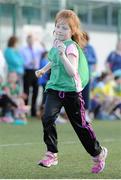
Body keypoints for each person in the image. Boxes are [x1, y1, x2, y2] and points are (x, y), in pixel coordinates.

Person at [35, 9, 108, 173]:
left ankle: (98, 153)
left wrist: (62, 55)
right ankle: (51, 153)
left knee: (80, 127)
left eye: (65, 28)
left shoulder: (71, 48)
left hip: (71, 92)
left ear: (72, 31)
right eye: (58, 26)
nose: (60, 30)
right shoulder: (55, 45)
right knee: (47, 117)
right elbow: (53, 62)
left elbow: (72, 71)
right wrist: (43, 70)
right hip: (54, 88)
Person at [20, 35, 44, 117]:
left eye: (32, 40)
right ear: (27, 40)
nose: (31, 41)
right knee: (26, 91)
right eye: (29, 40)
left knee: (36, 91)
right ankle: (25, 110)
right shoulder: (23, 49)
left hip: (36, 71)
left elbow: (43, 50)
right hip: (28, 70)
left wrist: (37, 41)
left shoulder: (37, 48)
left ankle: (33, 111)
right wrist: (29, 62)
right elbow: (22, 61)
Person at [81, 32, 97, 122]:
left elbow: (94, 61)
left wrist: (93, 73)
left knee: (86, 94)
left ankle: (86, 113)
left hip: (87, 75)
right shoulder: (77, 47)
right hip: (78, 75)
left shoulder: (90, 48)